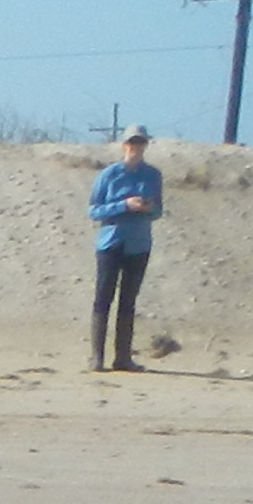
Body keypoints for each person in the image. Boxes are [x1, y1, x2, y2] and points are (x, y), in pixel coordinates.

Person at [88, 125, 163, 371]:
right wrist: (124, 205)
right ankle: (96, 357)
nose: (136, 147)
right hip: (111, 242)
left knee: (128, 302)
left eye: (140, 142)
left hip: (139, 244)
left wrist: (147, 207)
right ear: (124, 145)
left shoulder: (153, 175)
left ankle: (123, 357)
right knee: (103, 299)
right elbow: (94, 210)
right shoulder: (109, 175)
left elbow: (159, 211)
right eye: (132, 142)